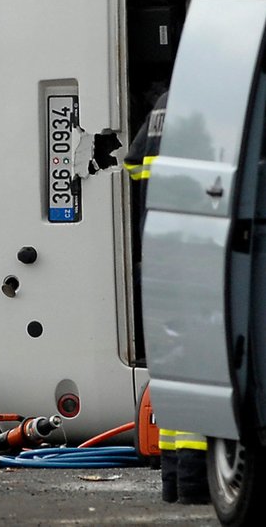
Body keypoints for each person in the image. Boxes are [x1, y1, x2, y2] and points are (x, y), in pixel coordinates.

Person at [124, 89, 208, 505]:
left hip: (158, 257)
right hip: (195, 257)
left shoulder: (162, 103)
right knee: (201, 371)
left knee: (173, 369)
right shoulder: (206, 106)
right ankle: (192, 484)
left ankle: (177, 482)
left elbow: (132, 163)